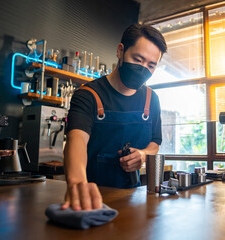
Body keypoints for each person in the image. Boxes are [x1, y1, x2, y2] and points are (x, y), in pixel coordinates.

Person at [62, 24, 167, 211]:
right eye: (138, 59)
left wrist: (143, 154)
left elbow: (155, 143)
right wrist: (77, 184)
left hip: (134, 202)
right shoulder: (88, 95)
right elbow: (76, 139)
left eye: (151, 65)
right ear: (120, 51)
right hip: (92, 200)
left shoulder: (152, 99)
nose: (143, 69)